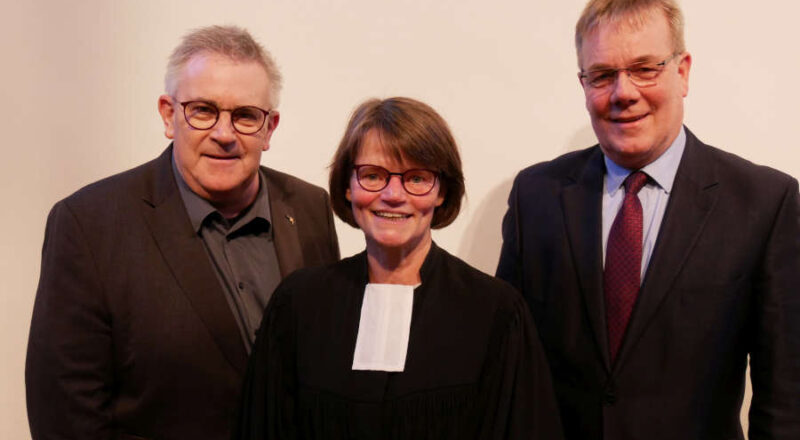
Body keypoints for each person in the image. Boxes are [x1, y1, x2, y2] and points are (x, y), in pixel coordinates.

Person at [496, 0, 800, 439]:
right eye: (602, 75)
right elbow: (509, 365)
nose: (623, 92)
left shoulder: (764, 203)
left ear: (683, 72)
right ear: (583, 84)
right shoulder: (535, 196)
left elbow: (786, 398)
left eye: (645, 68)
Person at [26, 25, 339, 440]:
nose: (224, 134)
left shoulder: (309, 207)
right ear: (169, 115)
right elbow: (65, 416)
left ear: (270, 128)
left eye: (245, 115)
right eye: (203, 110)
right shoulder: (89, 225)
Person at [237, 97, 563, 439]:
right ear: (347, 186)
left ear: (441, 192)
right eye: (373, 175)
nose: (393, 194)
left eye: (417, 178)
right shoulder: (299, 304)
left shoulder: (495, 311)